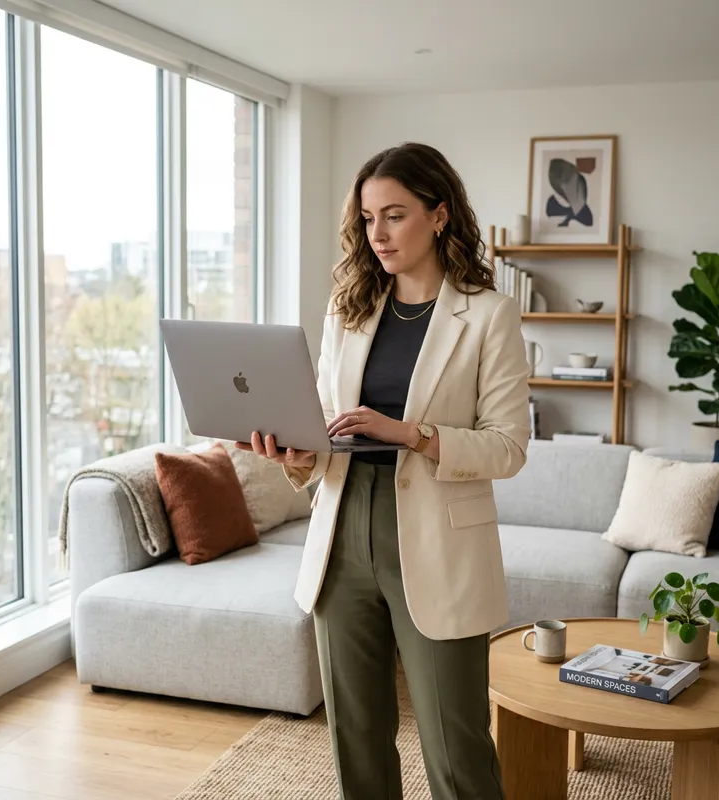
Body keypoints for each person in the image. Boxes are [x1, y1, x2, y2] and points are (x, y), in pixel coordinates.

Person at [236, 141, 531, 800]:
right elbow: (325, 423)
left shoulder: (489, 314)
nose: (379, 234)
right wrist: (296, 454)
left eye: (395, 215)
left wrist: (412, 434)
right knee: (357, 738)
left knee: (456, 748)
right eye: (368, 219)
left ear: (439, 215)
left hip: (437, 538)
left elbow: (509, 447)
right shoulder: (348, 309)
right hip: (342, 531)